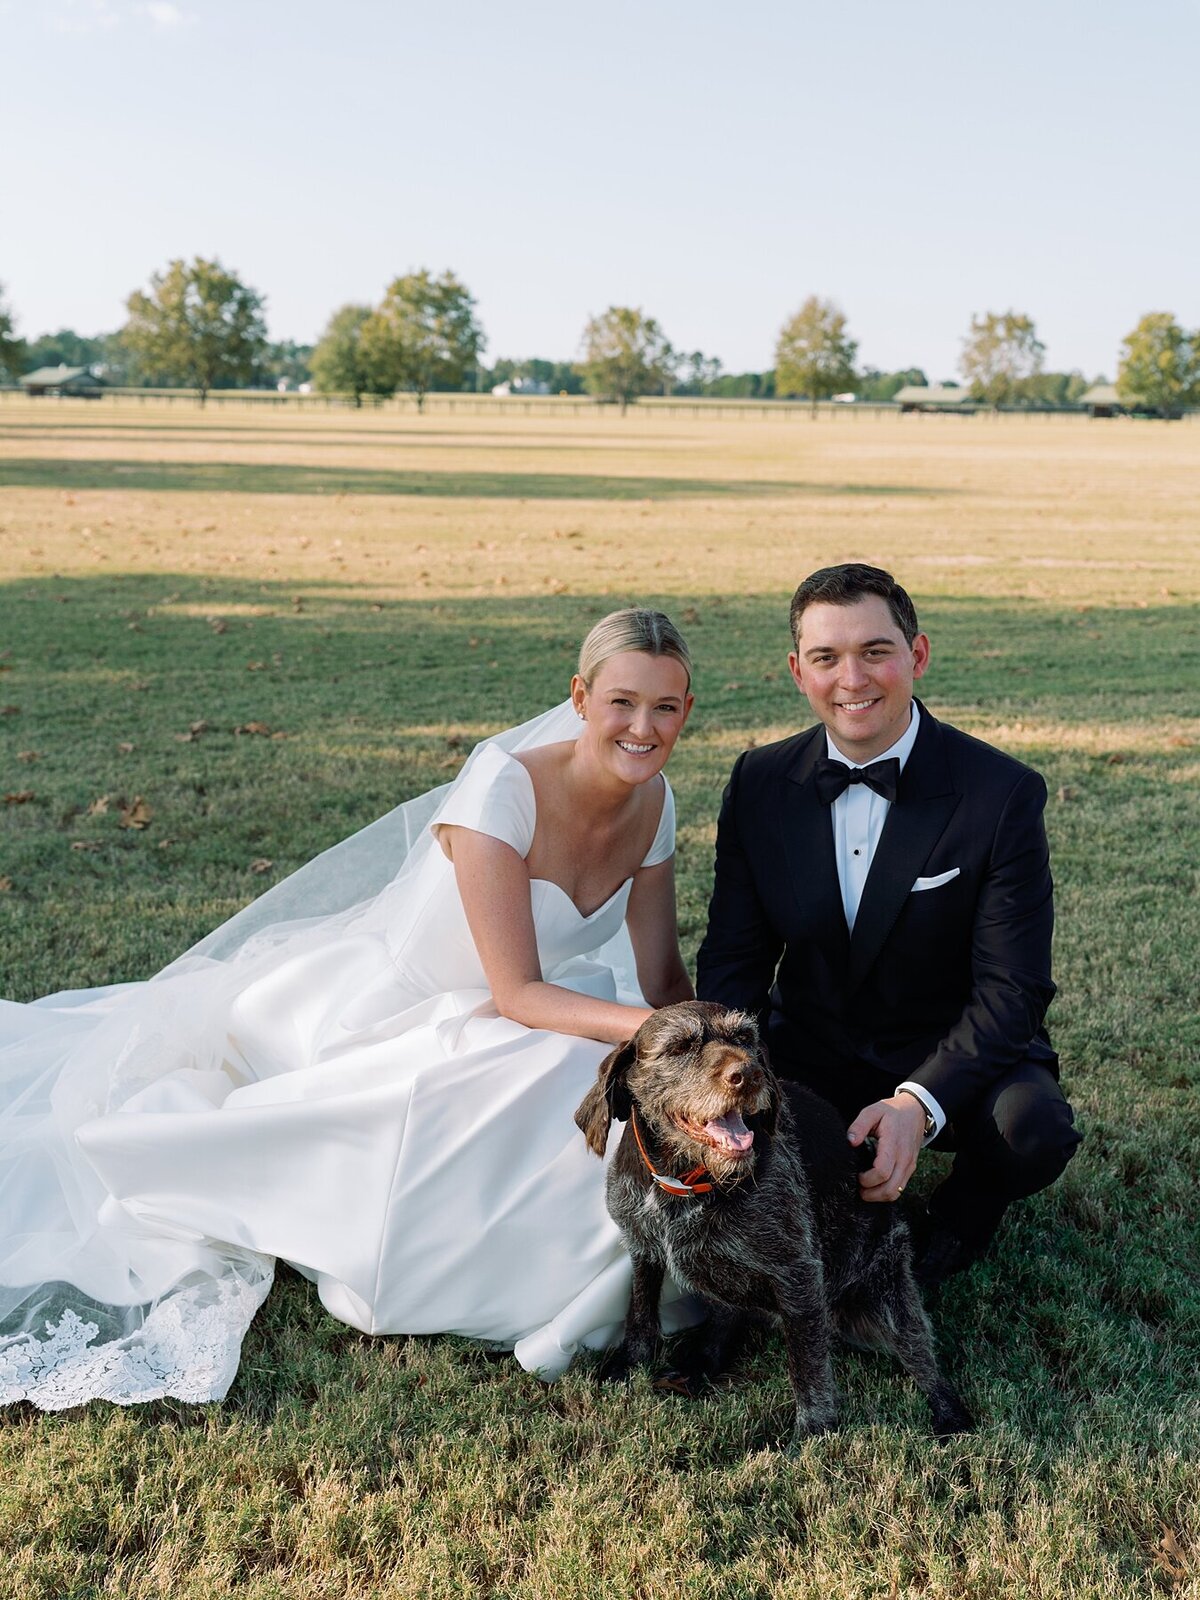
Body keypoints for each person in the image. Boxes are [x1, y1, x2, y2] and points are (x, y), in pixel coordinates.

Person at [0, 608, 697, 1410]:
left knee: (602, 1076)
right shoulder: (503, 786)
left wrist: (715, 1043)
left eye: (666, 708)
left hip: (532, 1019)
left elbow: (662, 974)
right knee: (572, 1073)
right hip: (406, 1014)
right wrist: (654, 1035)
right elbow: (515, 993)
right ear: (580, 697)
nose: (643, 728)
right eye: (622, 702)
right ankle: (498, 1278)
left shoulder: (657, 804)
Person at [696, 563, 1081, 1285]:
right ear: (796, 670)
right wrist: (732, 1072)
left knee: (1031, 1131)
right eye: (826, 657)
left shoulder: (1001, 794)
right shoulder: (758, 783)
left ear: (918, 655)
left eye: (876, 651)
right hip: (813, 1045)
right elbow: (734, 956)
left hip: (952, 1048)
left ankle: (963, 1214)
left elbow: (1014, 987)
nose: (852, 679)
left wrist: (918, 1101)